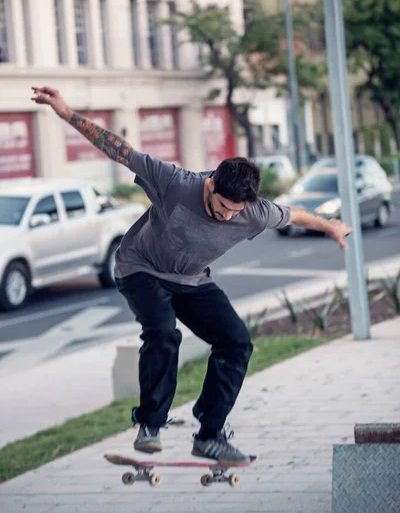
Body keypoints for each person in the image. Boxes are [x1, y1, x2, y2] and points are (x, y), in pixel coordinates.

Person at [31, 86, 352, 465]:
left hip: (192, 280)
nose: (227, 216)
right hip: (140, 268)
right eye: (221, 207)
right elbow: (118, 149)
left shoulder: (254, 211)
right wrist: (67, 113)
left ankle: (210, 435)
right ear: (211, 184)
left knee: (236, 342)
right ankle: (150, 425)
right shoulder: (173, 182)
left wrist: (328, 225)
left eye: (235, 211)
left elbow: (295, 214)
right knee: (164, 332)